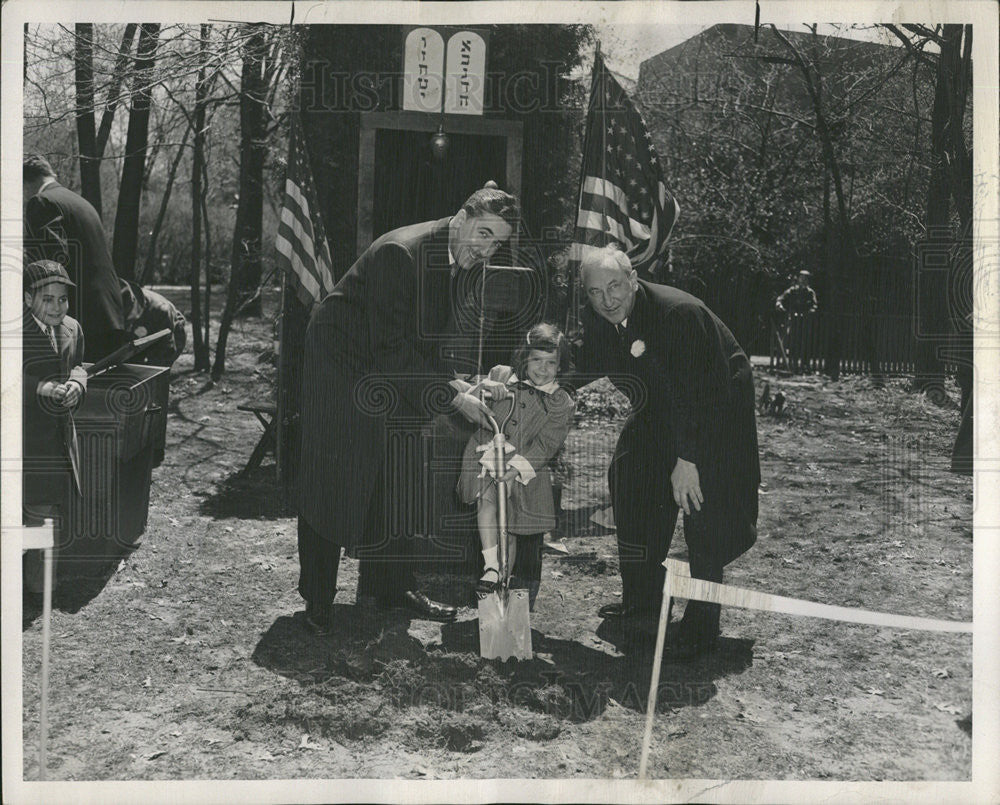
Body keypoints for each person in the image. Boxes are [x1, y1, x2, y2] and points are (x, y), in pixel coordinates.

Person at [296, 183, 520, 633]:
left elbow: (419, 340)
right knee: (336, 474)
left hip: (384, 361)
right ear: (461, 218)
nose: (487, 249)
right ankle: (317, 601)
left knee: (397, 468)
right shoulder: (404, 253)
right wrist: (454, 398)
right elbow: (392, 348)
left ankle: (390, 586)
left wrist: (457, 382)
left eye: (497, 242)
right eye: (483, 234)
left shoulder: (456, 256)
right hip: (341, 366)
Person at [571, 245, 760, 660]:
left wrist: (688, 460)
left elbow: (702, 393)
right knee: (628, 475)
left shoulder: (678, 315)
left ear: (634, 280)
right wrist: (534, 377)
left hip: (716, 410)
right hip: (662, 407)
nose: (608, 300)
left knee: (702, 509)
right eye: (596, 291)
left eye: (616, 286)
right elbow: (580, 362)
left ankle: (701, 628)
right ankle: (644, 600)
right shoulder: (600, 317)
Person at [453, 323, 575, 609]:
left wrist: (515, 469)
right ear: (524, 356)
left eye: (551, 363)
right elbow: (472, 406)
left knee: (508, 524)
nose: (543, 370)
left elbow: (546, 445)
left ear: (561, 365)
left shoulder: (561, 402)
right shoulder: (501, 375)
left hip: (524, 469)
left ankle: (502, 584)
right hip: (487, 455)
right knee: (487, 502)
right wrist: (484, 387)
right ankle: (492, 566)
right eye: (536, 361)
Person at [22, 260, 88, 595]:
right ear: (26, 297)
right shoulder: (13, 331)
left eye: (62, 299)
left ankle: (40, 587)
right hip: (23, 440)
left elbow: (78, 364)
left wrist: (78, 384)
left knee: (50, 511)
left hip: (60, 439)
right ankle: (34, 588)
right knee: (35, 511)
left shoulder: (72, 328)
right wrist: (40, 387)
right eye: (47, 299)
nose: (56, 307)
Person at [23, 154, 127, 362]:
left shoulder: (42, 202)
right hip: (110, 313)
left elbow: (52, 263)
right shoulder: (79, 202)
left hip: (82, 319)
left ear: (25, 182)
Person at [775, 269, 818, 373]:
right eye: (801, 278)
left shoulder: (810, 292)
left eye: (806, 279)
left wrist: (811, 310)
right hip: (793, 320)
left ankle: (805, 365)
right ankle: (791, 364)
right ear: (798, 279)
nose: (803, 281)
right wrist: (779, 304)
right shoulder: (792, 290)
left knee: (806, 342)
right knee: (792, 341)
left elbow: (814, 305)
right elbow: (781, 298)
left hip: (805, 321)